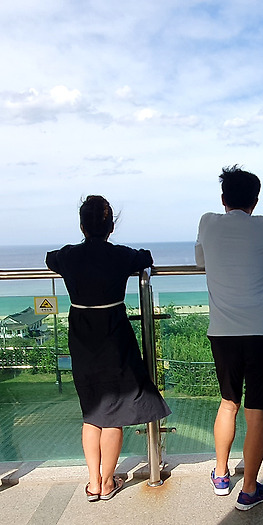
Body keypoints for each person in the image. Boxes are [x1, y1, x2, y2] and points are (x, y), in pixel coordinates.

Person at [46, 196, 171, 502]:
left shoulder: (68, 256)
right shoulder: (120, 255)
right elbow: (146, 257)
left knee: (91, 410)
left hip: (81, 336)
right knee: (114, 412)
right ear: (111, 226)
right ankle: (106, 482)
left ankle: (93, 483)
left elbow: (50, 259)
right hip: (114, 335)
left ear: (81, 226)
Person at [195, 165, 263, 510]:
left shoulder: (207, 222)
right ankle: (248, 489)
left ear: (223, 199)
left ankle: (221, 475)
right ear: (255, 201)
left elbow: (200, 260)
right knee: (256, 412)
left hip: (223, 332)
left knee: (228, 403)